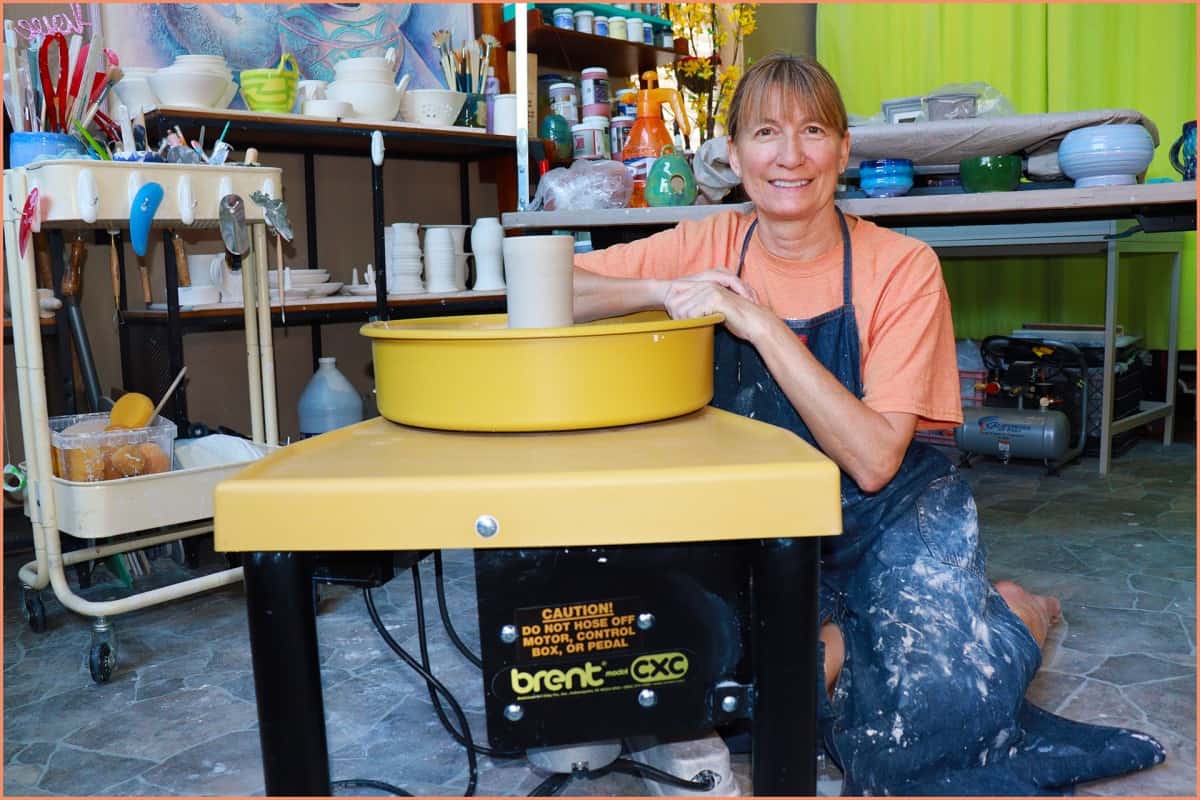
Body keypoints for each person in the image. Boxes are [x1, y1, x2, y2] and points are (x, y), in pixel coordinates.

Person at [574, 53, 1165, 796]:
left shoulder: (903, 266)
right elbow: (551, 287)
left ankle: (1018, 611)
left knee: (925, 725)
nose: (789, 156)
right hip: (762, 521)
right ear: (732, 154)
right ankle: (867, 640)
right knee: (710, 689)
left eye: (812, 131)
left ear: (845, 150)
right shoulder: (710, 244)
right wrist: (664, 288)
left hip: (893, 513)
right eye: (764, 132)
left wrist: (760, 324)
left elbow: (876, 459)